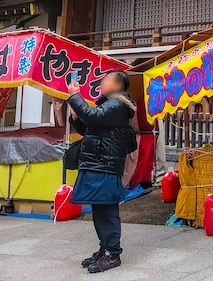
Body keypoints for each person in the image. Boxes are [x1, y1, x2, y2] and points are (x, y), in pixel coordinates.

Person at [68, 70, 136, 273]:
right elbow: (90, 127)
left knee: (106, 210)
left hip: (105, 166)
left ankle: (113, 254)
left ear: (117, 85)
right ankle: (105, 248)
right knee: (99, 209)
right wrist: (75, 115)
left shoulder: (118, 104)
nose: (101, 83)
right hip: (98, 163)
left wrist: (75, 97)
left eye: (105, 80)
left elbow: (93, 116)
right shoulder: (109, 105)